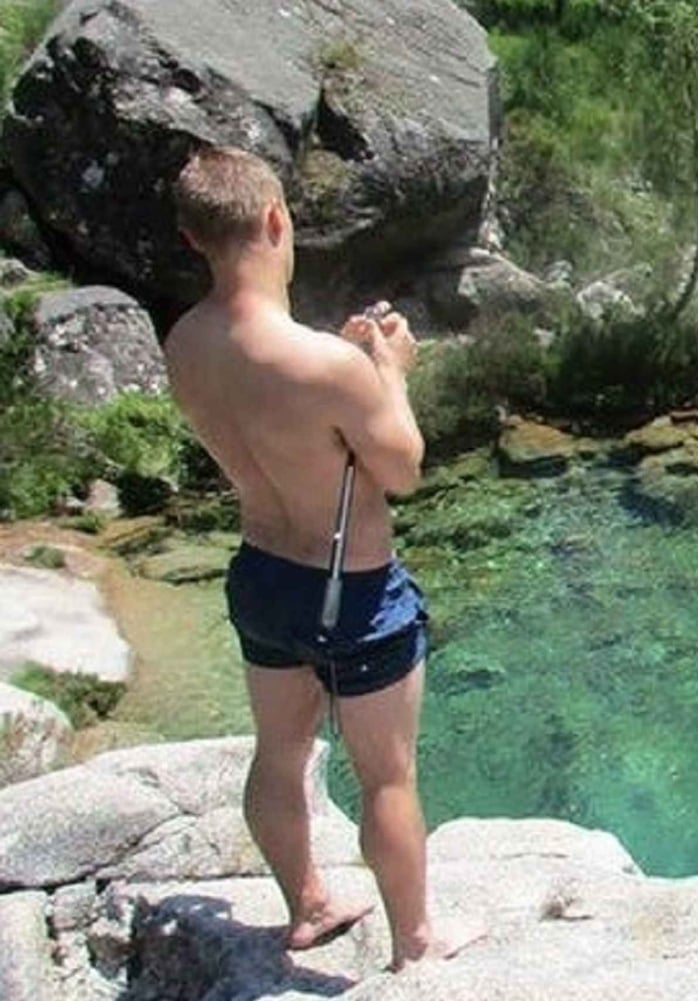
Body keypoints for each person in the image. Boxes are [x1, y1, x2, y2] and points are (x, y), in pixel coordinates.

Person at [164, 146, 475, 970]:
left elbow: (279, 416)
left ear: (195, 240)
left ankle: (306, 905)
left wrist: (348, 372)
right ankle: (417, 942)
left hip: (262, 573)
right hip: (357, 593)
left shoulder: (184, 342)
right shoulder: (329, 365)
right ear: (274, 220)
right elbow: (401, 468)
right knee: (387, 776)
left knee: (280, 753)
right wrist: (387, 372)